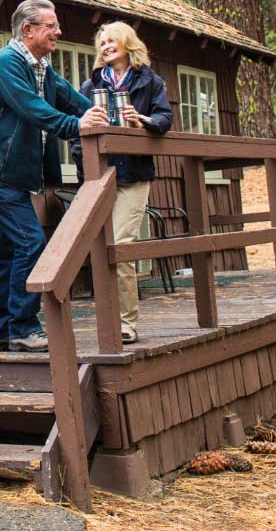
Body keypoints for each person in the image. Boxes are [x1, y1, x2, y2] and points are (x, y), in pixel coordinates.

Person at [0, 0, 110, 352]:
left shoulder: (42, 67)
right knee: (31, 243)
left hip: (14, 178)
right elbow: (35, 111)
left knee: (3, 254)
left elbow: (70, 98)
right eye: (51, 26)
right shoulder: (6, 64)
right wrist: (78, 126)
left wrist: (106, 116)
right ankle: (22, 325)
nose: (58, 32)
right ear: (28, 29)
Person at [70, 20, 174, 345]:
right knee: (103, 248)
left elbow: (164, 119)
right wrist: (84, 170)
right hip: (101, 176)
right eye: (102, 43)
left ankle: (126, 322)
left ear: (127, 43)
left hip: (134, 176)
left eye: (111, 40)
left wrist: (142, 121)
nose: (105, 46)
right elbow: (78, 133)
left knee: (122, 247)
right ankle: (108, 319)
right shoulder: (90, 87)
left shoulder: (149, 81)